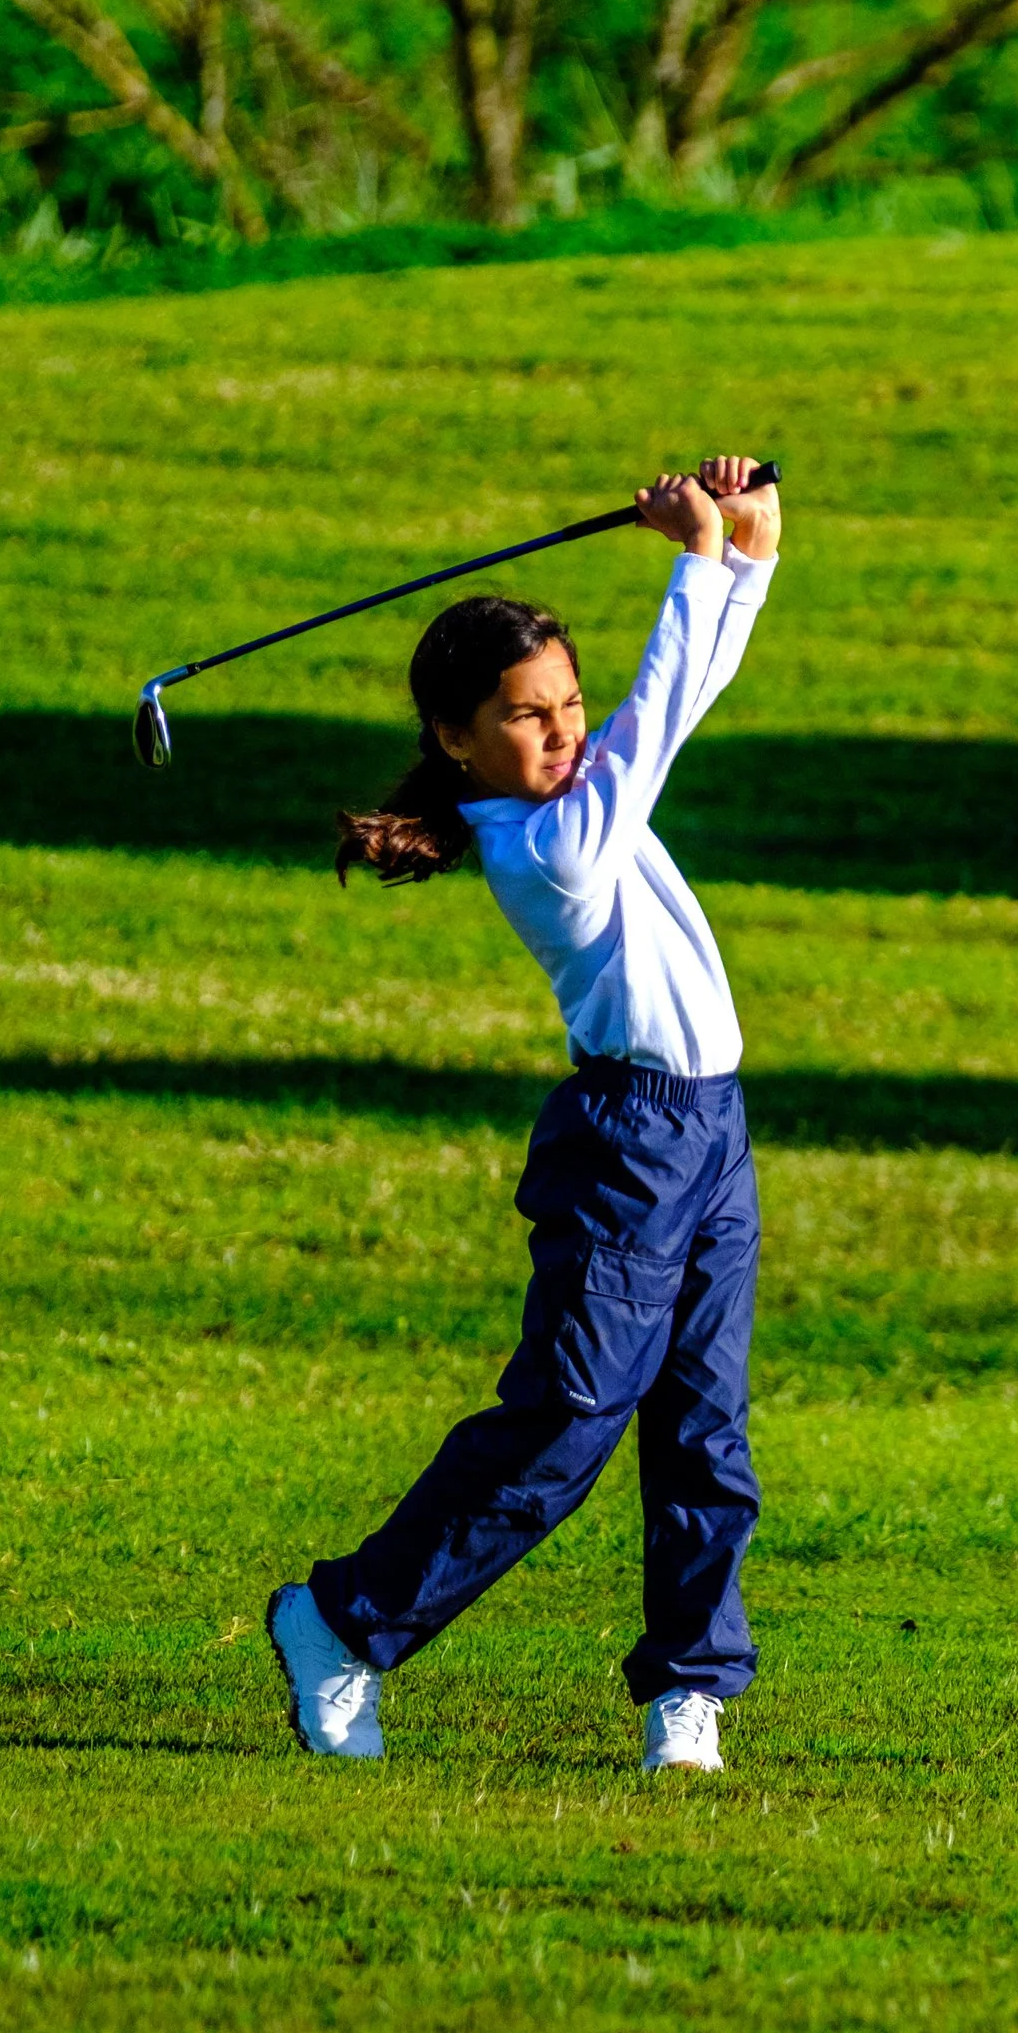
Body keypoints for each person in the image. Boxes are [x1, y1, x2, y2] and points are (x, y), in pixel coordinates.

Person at [265, 456, 781, 1774]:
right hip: (628, 1145)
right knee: (568, 1420)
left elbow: (683, 691)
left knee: (704, 1424)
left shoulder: (575, 796)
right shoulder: (546, 846)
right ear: (456, 739)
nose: (562, 732)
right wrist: (694, 561)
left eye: (567, 705)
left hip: (711, 1131)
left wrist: (748, 550)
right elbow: (657, 723)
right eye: (525, 715)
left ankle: (689, 1691)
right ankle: (340, 1621)